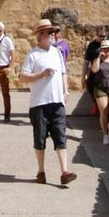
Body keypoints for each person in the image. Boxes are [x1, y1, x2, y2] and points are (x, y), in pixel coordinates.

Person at [19, 19, 77, 185]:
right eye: (49, 32)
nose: (53, 34)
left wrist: (65, 91)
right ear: (40, 35)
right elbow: (23, 77)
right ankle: (41, 171)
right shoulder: (33, 54)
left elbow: (63, 73)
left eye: (53, 32)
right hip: (39, 104)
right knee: (40, 139)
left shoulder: (57, 52)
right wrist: (41, 75)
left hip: (57, 102)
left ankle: (65, 171)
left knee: (61, 137)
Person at [90, 39, 109, 144]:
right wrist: (98, 57)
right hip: (100, 88)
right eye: (103, 49)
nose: (105, 51)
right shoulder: (98, 61)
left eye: (107, 49)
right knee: (104, 112)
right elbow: (94, 70)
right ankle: (105, 134)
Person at [82, 28, 107, 115]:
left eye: (104, 36)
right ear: (97, 35)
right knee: (90, 86)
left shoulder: (107, 44)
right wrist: (83, 76)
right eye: (100, 36)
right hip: (95, 73)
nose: (102, 38)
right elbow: (86, 62)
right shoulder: (92, 45)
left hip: (106, 73)